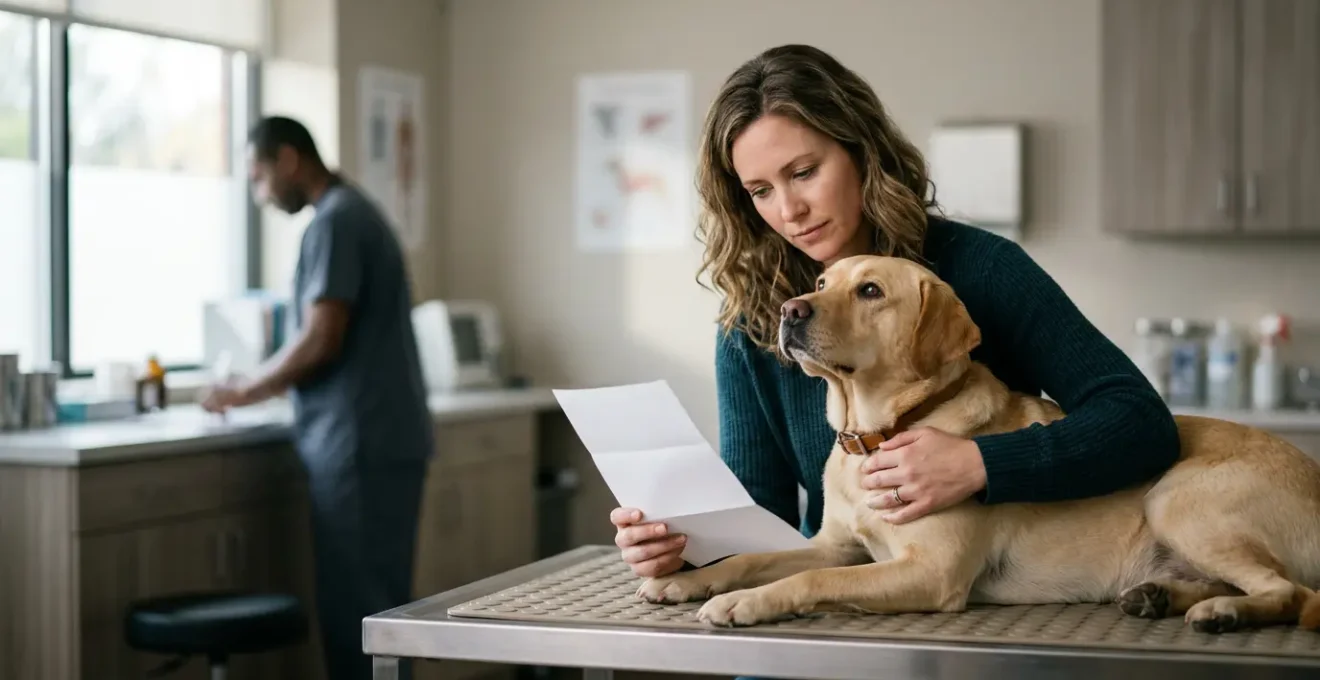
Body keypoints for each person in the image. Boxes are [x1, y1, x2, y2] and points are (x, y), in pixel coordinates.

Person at [611, 44, 1182, 580]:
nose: (790, 210)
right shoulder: (755, 316)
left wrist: (981, 463)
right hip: (833, 590)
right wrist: (684, 549)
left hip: (989, 597)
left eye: (804, 172)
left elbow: (1140, 422)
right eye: (760, 191)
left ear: (863, 153)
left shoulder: (982, 270)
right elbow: (762, 516)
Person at [201, 115, 434, 680]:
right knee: (383, 615)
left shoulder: (335, 222)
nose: (259, 195)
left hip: (358, 445)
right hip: (378, 439)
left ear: (288, 159)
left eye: (259, 178)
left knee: (360, 617)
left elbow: (320, 337)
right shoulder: (357, 212)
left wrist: (244, 390)